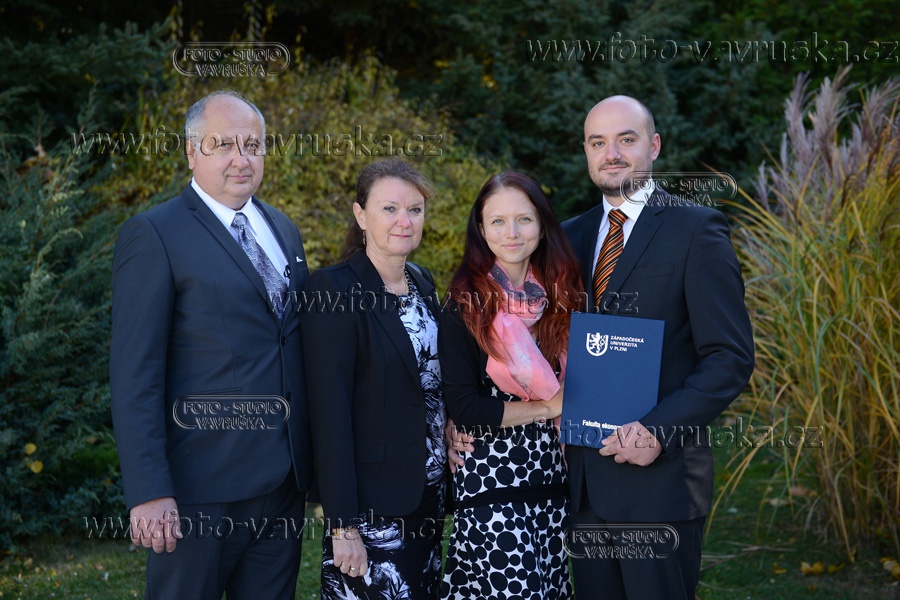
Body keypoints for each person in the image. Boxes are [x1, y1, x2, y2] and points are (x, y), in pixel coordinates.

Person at [110, 89, 313, 599]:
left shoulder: (283, 229)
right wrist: (149, 490)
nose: (241, 159)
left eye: (253, 145)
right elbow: (135, 373)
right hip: (197, 491)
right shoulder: (154, 234)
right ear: (191, 152)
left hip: (283, 485)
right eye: (223, 144)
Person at [561, 95, 755, 599]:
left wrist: (657, 431)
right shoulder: (568, 237)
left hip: (659, 484)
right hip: (584, 487)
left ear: (654, 146)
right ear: (586, 152)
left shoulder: (696, 229)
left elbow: (729, 357)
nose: (611, 154)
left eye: (626, 139)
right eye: (598, 142)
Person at [300, 159, 446, 599]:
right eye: (390, 209)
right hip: (370, 509)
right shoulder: (332, 290)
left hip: (428, 495)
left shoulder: (422, 282)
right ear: (361, 215)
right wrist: (342, 525)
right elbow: (329, 416)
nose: (405, 221)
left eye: (415, 210)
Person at [439, 172, 583, 600]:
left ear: (542, 225)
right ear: (481, 230)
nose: (512, 233)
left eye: (523, 219)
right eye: (498, 221)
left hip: (551, 479)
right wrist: (548, 407)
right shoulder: (465, 305)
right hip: (492, 484)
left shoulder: (564, 298)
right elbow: (465, 408)